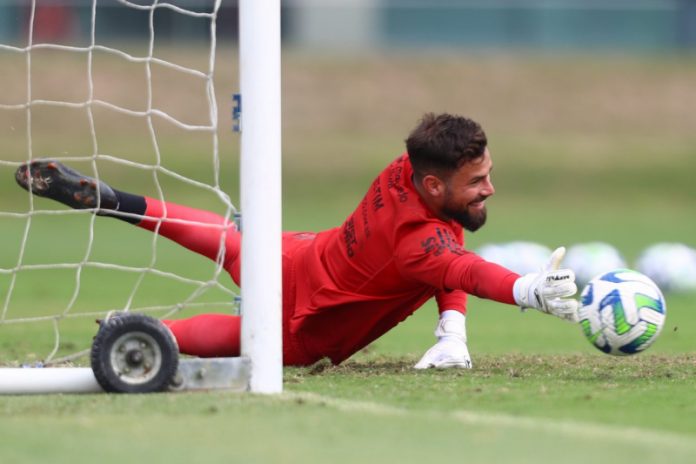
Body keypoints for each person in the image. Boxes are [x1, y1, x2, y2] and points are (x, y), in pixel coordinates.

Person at [15, 113, 579, 369]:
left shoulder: (404, 169)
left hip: (297, 255)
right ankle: (139, 333)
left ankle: (117, 201)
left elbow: (449, 251)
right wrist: (527, 289)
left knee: (230, 240)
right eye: (478, 181)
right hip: (311, 323)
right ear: (434, 183)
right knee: (244, 340)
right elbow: (459, 271)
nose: (491, 188)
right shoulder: (418, 242)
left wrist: (451, 328)